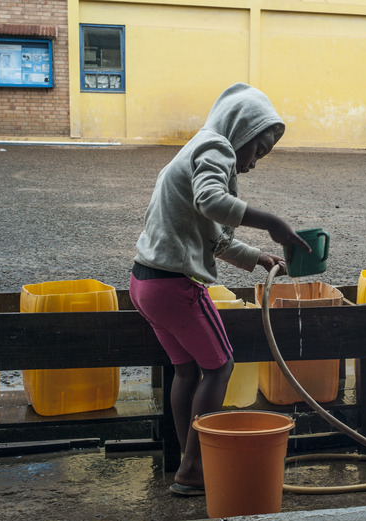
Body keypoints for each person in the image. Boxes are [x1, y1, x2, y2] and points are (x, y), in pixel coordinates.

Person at [129, 83, 311, 497]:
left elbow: (216, 236)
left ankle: (188, 459)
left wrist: (260, 259)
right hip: (176, 288)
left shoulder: (200, 150)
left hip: (144, 284)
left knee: (188, 370)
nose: (253, 163)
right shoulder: (217, 148)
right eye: (257, 151)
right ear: (240, 132)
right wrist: (273, 223)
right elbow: (211, 201)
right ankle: (195, 468)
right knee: (221, 366)